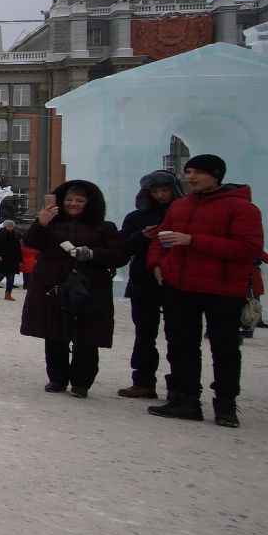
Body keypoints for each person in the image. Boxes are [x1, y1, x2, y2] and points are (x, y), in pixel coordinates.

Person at [146, 154, 265, 428]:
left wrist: (193, 241)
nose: (191, 177)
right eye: (188, 172)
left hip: (221, 287)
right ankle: (186, 400)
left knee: (224, 347)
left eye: (198, 172)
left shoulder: (242, 208)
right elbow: (161, 239)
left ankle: (225, 404)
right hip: (180, 286)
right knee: (181, 345)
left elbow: (248, 249)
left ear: (216, 175)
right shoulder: (180, 206)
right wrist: (156, 264)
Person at [20, 180, 128, 398]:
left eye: (80, 200)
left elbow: (121, 255)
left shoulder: (104, 227)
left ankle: (81, 382)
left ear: (90, 203)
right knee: (54, 334)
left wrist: (92, 254)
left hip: (89, 287)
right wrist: (41, 222)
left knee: (87, 337)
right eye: (69, 199)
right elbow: (32, 242)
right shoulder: (51, 223)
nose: (74, 204)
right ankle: (57, 379)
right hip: (53, 285)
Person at [115, 170, 182, 399]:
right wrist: (142, 237)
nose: (160, 195)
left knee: (179, 336)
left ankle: (179, 386)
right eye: (155, 191)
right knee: (144, 334)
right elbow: (123, 246)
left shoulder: (184, 213)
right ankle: (143, 381)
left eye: (164, 190)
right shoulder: (137, 217)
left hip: (177, 280)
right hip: (144, 281)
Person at [0, 220, 22, 300]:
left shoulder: (16, 234)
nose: (10, 227)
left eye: (11, 226)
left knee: (11, 278)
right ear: (5, 226)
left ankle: (8, 294)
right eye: (8, 226)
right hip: (2, 259)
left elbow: (18, 248)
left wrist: (20, 260)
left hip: (13, 259)